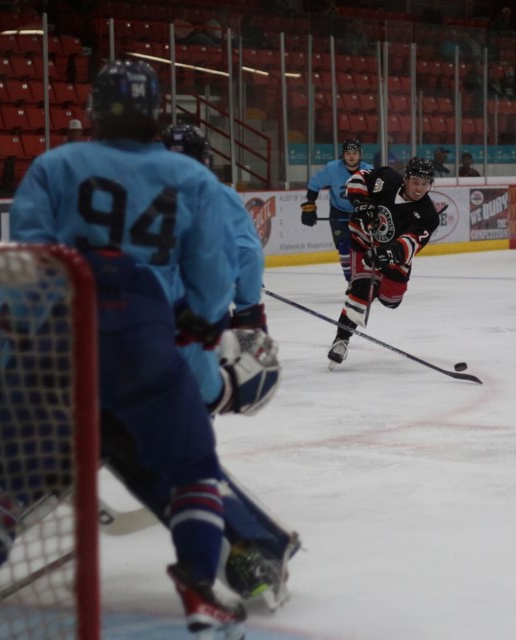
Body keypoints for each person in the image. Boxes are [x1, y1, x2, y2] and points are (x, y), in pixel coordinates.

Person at [0, 60, 282, 640]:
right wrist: (212, 374)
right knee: (190, 468)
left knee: (4, 479)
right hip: (145, 347)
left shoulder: (54, 165)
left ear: (96, 112)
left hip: (57, 352)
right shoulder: (194, 181)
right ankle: (211, 583)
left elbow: (23, 280)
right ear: (156, 115)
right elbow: (207, 290)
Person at [160, 123, 299, 606]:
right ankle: (246, 549)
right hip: (182, 328)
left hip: (91, 339)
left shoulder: (135, 188)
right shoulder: (213, 191)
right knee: (180, 430)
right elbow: (245, 253)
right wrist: (248, 309)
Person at [326, 157, 440, 368]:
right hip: (364, 243)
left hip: (395, 258)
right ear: (406, 178)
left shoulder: (428, 215)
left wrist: (389, 252)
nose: (419, 188)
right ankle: (341, 340)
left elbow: (412, 243)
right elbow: (358, 179)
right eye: (415, 182)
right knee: (361, 290)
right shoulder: (386, 178)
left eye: (425, 184)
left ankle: (376, 288)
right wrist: (361, 203)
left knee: (391, 301)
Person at [301, 139, 373, 283]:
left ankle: (367, 278)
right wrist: (309, 207)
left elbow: (377, 193)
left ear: (360, 155)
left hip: (361, 213)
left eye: (355, 153)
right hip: (338, 213)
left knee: (364, 249)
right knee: (344, 246)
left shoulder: (369, 171)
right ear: (343, 155)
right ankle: (351, 282)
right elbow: (314, 185)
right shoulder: (332, 168)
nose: (351, 156)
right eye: (348, 153)